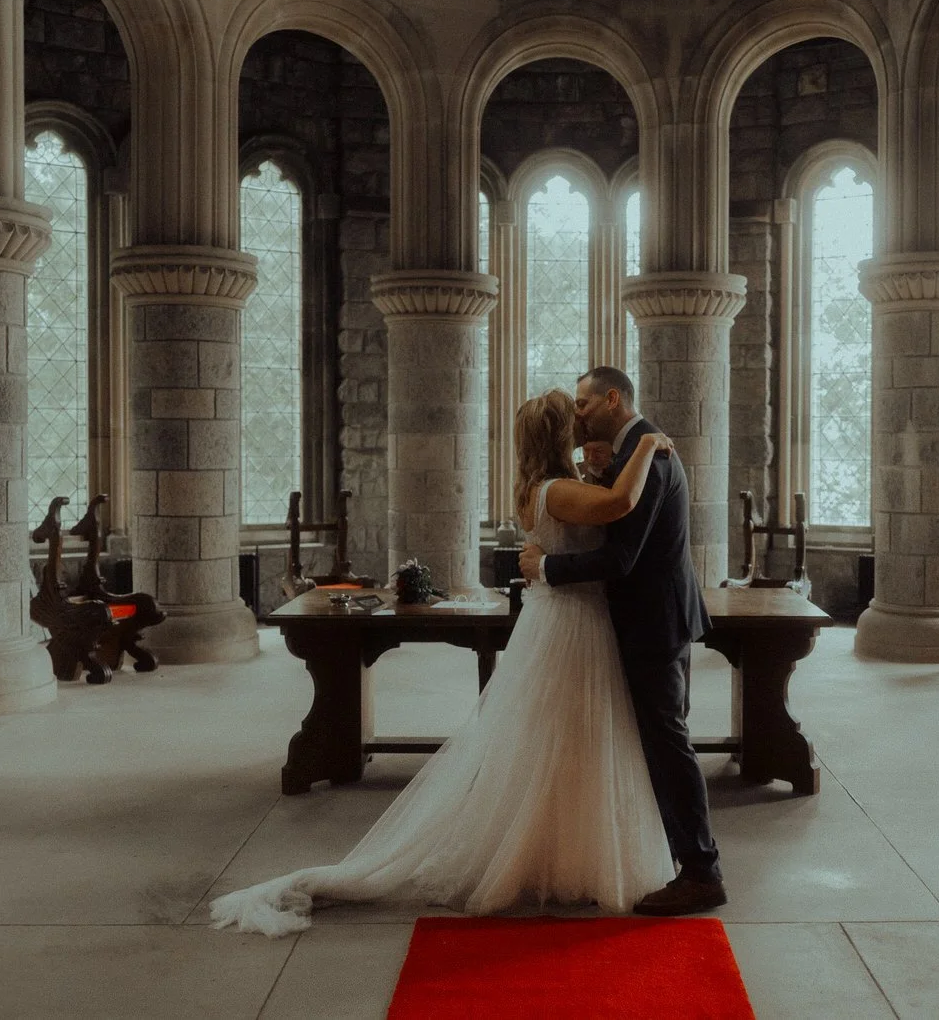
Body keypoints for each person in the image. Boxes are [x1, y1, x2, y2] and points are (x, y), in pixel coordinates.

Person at [210, 389, 679, 937]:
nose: (581, 419)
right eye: (570, 415)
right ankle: (551, 853)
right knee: (567, 737)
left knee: (566, 740)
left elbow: (592, 515)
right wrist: (647, 444)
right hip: (572, 623)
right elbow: (619, 506)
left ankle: (558, 850)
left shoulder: (546, 487)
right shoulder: (560, 490)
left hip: (569, 618)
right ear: (557, 435)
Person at [520, 366, 725, 917]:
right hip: (646, 617)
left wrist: (547, 567)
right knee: (659, 740)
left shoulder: (650, 453)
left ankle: (702, 872)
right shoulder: (631, 449)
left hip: (653, 621)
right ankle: (673, 855)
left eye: (585, 403)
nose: (578, 414)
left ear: (613, 399)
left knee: (667, 742)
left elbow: (621, 557)